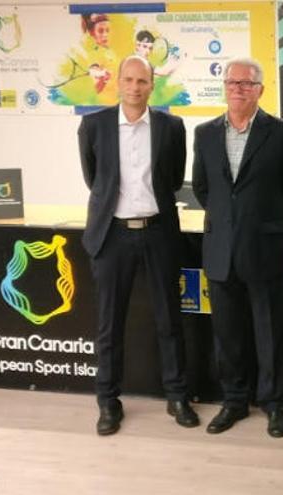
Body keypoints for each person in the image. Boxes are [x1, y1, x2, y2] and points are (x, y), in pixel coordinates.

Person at [78, 54, 197, 436]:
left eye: (142, 81)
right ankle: (108, 402)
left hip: (158, 231)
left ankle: (177, 397)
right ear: (118, 82)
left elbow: (174, 179)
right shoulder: (94, 125)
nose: (135, 87)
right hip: (112, 235)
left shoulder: (171, 126)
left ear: (152, 85)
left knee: (169, 320)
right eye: (128, 80)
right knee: (109, 324)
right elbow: (94, 177)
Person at [192, 58, 283, 438]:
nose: (238, 88)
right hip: (221, 252)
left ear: (260, 89)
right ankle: (234, 401)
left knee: (271, 334)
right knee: (228, 335)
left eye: (246, 82)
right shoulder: (205, 134)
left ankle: (274, 404)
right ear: (224, 88)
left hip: (268, 252)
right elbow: (204, 189)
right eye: (232, 82)